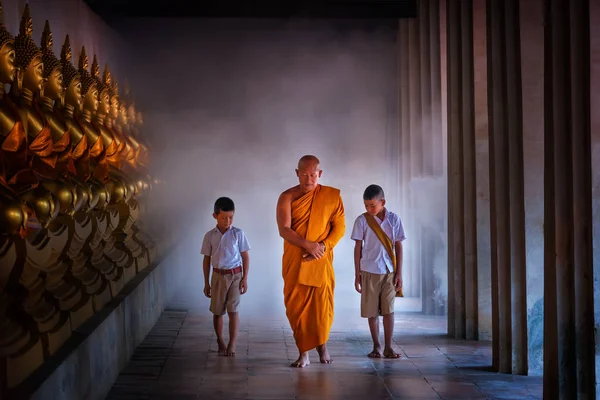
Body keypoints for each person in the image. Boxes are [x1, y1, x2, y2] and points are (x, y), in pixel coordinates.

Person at [276, 155, 346, 368]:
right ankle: (303, 353)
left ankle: (323, 347)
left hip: (321, 259)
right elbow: (284, 229)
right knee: (298, 308)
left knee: (321, 307)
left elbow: (339, 226)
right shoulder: (286, 197)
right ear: (297, 173)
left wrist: (323, 246)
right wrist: (308, 245)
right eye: (304, 175)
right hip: (297, 260)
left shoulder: (331, 196)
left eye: (313, 175)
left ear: (320, 174)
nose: (309, 179)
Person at [351, 184, 404, 359]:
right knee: (371, 311)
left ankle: (389, 346)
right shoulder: (362, 220)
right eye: (366, 205)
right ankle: (377, 346)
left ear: (383, 202)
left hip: (389, 270)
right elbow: (358, 247)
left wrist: (399, 273)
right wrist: (357, 274)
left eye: (372, 205)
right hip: (368, 270)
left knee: (388, 310)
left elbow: (398, 246)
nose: (369, 209)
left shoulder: (394, 220)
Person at [201, 197, 250, 357]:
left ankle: (232, 343)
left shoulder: (238, 234)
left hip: (235, 275)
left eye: (231, 217)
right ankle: (220, 340)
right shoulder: (210, 236)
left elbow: (245, 257)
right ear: (215, 216)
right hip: (217, 276)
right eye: (223, 217)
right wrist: (206, 283)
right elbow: (206, 259)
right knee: (217, 311)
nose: (227, 221)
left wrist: (245, 278)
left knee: (233, 310)